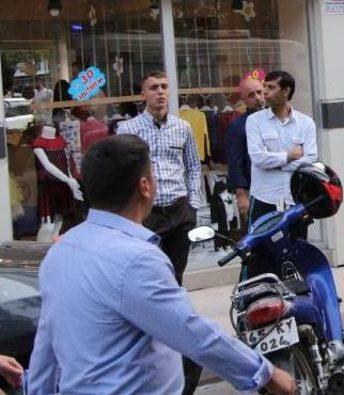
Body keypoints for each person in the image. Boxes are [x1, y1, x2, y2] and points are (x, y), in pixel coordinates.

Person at [27, 135, 296, 395]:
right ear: (145, 186)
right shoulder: (137, 259)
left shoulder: (61, 252)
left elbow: (45, 348)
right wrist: (266, 373)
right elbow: (192, 334)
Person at [117, 70, 202, 393]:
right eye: (153, 88)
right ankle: (148, 338)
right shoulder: (128, 130)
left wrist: (193, 204)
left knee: (174, 279)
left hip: (179, 212)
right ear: (143, 94)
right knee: (147, 277)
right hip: (147, 214)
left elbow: (194, 166)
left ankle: (171, 341)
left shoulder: (182, 127)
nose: (160, 93)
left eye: (165, 87)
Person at [246, 70, 318, 231]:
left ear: (286, 91)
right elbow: (258, 158)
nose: (264, 92)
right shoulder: (254, 121)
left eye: (271, 87)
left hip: (294, 200)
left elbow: (311, 159)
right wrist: (289, 156)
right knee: (260, 253)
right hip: (264, 198)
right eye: (264, 86)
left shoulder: (305, 123)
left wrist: (278, 163)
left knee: (296, 250)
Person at [227, 78, 266, 219]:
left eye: (259, 92)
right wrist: (241, 194)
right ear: (243, 98)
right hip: (253, 189)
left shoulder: (275, 120)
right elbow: (234, 161)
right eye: (251, 95)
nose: (257, 97)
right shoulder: (238, 126)